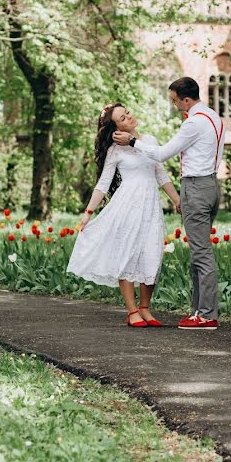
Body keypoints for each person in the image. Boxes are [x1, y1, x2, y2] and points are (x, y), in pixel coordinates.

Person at [112, 77, 224, 330]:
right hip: (212, 186)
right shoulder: (213, 117)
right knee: (200, 251)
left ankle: (205, 315)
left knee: (201, 253)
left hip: (196, 187)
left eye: (175, 100)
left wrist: (132, 142)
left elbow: (162, 154)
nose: (174, 105)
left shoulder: (193, 123)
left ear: (186, 99)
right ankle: (199, 311)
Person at [67, 103, 181, 327]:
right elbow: (103, 183)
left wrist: (176, 199)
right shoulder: (115, 151)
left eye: (127, 112)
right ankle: (132, 311)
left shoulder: (150, 141)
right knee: (127, 254)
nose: (129, 117)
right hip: (127, 206)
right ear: (116, 128)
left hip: (151, 207)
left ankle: (145, 308)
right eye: (122, 117)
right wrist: (88, 212)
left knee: (151, 253)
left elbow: (161, 175)